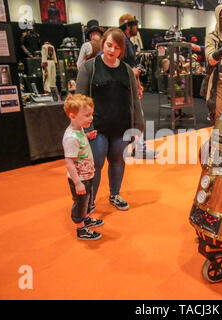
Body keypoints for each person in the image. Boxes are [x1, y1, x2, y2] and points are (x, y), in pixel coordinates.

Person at [76, 27, 145, 211]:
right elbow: (80, 100)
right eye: (108, 45)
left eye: (116, 47)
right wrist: (86, 127)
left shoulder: (127, 71)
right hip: (96, 127)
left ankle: (115, 195)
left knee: (118, 161)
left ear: (121, 50)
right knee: (96, 163)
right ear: (103, 44)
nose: (111, 50)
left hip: (121, 127)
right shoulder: (89, 68)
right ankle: (90, 201)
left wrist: (138, 126)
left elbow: (134, 101)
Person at [62, 93, 104, 241]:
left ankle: (85, 218)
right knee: (80, 203)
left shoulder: (79, 130)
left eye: (91, 114)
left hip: (87, 175)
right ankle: (81, 228)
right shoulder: (71, 138)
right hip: (80, 179)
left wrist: (88, 136)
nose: (91, 118)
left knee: (87, 200)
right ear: (73, 117)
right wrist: (77, 182)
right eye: (87, 115)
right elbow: (69, 162)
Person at [119, 13, 158, 159]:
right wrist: (131, 71)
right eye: (135, 24)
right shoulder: (122, 41)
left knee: (135, 117)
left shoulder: (127, 41)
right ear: (128, 26)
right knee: (136, 117)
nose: (137, 27)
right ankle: (138, 149)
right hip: (125, 85)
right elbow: (118, 64)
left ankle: (138, 148)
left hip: (128, 84)